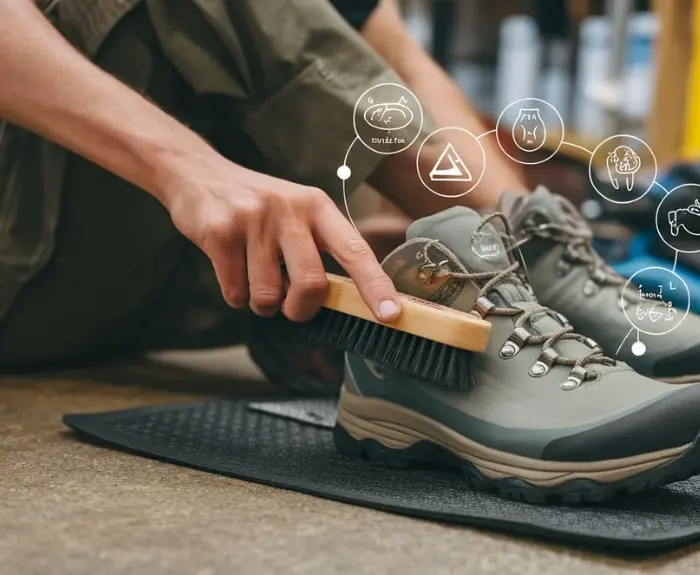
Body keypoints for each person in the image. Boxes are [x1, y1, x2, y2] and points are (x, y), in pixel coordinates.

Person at [0, 0, 527, 369]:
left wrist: (513, 228)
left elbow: (405, 66)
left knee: (497, 239)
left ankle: (532, 274)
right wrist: (193, 172)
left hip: (161, 287)